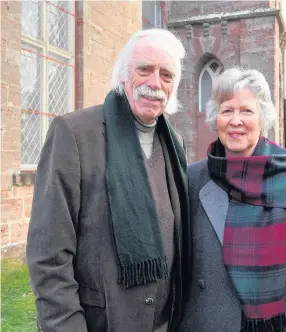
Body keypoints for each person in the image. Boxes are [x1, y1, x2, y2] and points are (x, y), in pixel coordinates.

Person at [26, 28, 190, 332]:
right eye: (145, 69)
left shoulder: (175, 143)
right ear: (123, 75)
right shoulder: (74, 134)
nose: (155, 83)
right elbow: (48, 256)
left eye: (166, 75)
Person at [178, 68, 286, 332]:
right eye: (226, 110)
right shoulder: (192, 178)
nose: (235, 121)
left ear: (262, 117)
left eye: (247, 111)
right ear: (215, 117)